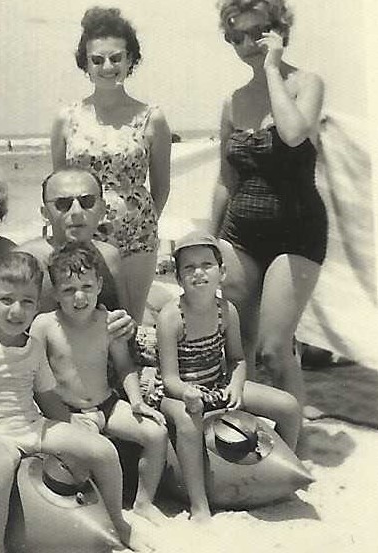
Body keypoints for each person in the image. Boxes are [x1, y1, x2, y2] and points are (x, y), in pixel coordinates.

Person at [0, 252, 141, 553]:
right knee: (0, 469)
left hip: (31, 424)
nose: (16, 311)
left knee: (102, 450)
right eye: (6, 300)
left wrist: (71, 435)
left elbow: (47, 397)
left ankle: (118, 522)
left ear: (38, 306)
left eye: (26, 302)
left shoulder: (33, 346)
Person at [210, 1, 326, 410]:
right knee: (240, 351)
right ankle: (255, 435)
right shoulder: (233, 102)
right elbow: (227, 179)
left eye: (256, 33)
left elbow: (294, 133)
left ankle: (296, 441)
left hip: (297, 231)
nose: (246, 44)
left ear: (277, 31)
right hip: (240, 233)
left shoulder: (306, 83)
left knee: (274, 350)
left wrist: (273, 68)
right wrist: (211, 241)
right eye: (235, 36)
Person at [141, 231, 301, 521]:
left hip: (217, 384)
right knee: (189, 425)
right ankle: (199, 503)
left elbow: (238, 359)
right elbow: (169, 379)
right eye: (189, 268)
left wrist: (237, 386)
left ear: (222, 272)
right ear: (178, 278)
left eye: (206, 265)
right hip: (178, 393)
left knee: (288, 405)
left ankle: (276, 470)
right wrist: (191, 393)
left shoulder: (227, 311)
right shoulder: (171, 318)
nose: (198, 273)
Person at [30, 243, 168, 524]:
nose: (79, 297)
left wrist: (138, 403)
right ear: (55, 293)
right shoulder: (44, 326)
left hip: (108, 404)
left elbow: (125, 366)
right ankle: (108, 513)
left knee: (156, 434)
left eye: (87, 287)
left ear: (100, 285)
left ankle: (143, 502)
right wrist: (64, 418)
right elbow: (36, 380)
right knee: (91, 453)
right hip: (71, 412)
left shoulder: (107, 322)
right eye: (68, 290)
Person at [50, 7, 172, 324]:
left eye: (116, 58)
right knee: (80, 317)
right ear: (85, 64)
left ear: (130, 60)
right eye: (97, 60)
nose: (108, 66)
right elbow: (58, 184)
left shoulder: (151, 117)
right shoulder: (67, 118)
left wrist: (139, 221)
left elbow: (162, 185)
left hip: (137, 236)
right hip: (82, 233)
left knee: (127, 321)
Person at [18, 168, 132, 334]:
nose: (77, 212)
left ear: (102, 209)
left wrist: (127, 328)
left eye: (87, 202)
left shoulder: (109, 256)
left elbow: (127, 319)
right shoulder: (27, 261)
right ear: (45, 213)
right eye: (63, 204)